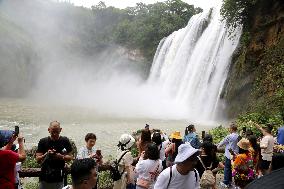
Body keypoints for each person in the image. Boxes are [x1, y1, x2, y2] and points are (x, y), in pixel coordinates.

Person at [36, 121, 73, 189]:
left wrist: (61, 157)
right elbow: (38, 159)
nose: (55, 134)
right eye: (53, 131)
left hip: (59, 176)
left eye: (57, 131)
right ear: (49, 130)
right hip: (45, 176)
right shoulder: (43, 141)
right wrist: (46, 154)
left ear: (60, 130)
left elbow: (70, 157)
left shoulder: (65, 141)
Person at [217, 123, 239, 187]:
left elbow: (222, 143)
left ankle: (226, 182)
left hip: (229, 155)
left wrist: (217, 146)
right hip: (235, 155)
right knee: (232, 168)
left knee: (227, 168)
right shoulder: (238, 136)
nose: (229, 129)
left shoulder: (229, 136)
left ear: (231, 129)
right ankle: (230, 182)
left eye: (229, 128)